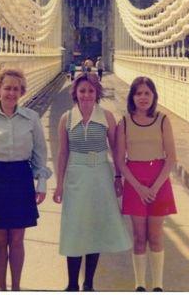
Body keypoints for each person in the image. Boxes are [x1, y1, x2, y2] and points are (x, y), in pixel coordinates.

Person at [0, 68, 52, 291]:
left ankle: (16, 288)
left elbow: (40, 154)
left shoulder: (31, 119)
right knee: (0, 240)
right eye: (7, 88)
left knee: (16, 240)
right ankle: (1, 288)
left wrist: (41, 183)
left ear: (21, 91)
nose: (11, 93)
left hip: (20, 179)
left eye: (16, 88)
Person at [54, 72, 132, 291]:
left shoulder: (107, 117)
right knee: (74, 228)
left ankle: (89, 283)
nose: (86, 95)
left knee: (94, 229)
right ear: (75, 93)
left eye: (90, 91)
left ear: (96, 93)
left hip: (100, 177)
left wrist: (118, 176)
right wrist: (59, 185)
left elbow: (117, 150)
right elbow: (62, 154)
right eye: (82, 91)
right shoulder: (66, 119)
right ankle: (71, 285)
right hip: (76, 178)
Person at [116, 76, 177, 292]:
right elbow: (120, 160)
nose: (143, 97)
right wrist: (139, 187)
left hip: (158, 180)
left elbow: (171, 158)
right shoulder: (124, 122)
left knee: (156, 235)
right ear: (132, 97)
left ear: (153, 96)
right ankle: (140, 284)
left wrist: (155, 186)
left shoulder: (163, 120)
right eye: (138, 93)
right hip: (135, 181)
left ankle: (158, 285)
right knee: (139, 236)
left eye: (147, 93)